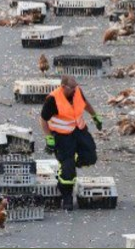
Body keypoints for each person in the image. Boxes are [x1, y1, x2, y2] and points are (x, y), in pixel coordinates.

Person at [39, 75, 102, 211]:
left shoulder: (77, 91)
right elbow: (43, 120)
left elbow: (85, 103)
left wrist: (95, 116)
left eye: (76, 86)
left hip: (79, 130)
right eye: (72, 87)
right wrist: (49, 138)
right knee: (67, 170)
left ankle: (74, 163)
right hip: (62, 136)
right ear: (63, 87)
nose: (75, 89)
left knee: (91, 156)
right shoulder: (53, 99)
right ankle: (66, 195)